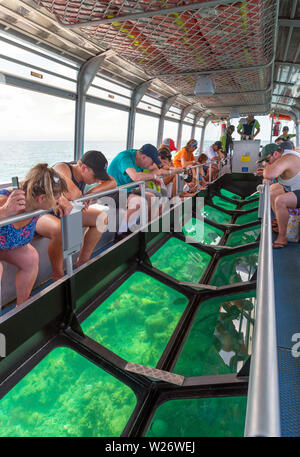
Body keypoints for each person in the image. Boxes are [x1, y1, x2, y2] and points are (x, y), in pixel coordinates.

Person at [36, 150, 117, 281]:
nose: (97, 180)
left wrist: (90, 193)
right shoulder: (61, 168)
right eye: (96, 177)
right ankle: (58, 275)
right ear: (84, 168)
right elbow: (72, 193)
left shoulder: (83, 174)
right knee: (59, 229)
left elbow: (113, 182)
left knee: (101, 218)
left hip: (65, 212)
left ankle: (83, 261)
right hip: (42, 213)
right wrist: (82, 197)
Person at [0, 164, 68, 305]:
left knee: (31, 258)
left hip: (8, 245)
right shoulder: (5, 199)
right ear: (42, 198)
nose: (58, 200)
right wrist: (5, 211)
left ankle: (22, 306)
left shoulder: (36, 203)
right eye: (56, 197)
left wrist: (63, 200)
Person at [107, 144, 169, 229]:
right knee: (138, 202)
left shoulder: (140, 157)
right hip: (112, 191)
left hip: (127, 189)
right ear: (144, 157)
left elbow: (156, 170)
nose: (152, 165)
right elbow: (136, 177)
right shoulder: (125, 158)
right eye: (152, 162)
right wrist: (153, 177)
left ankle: (149, 228)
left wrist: (152, 176)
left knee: (152, 197)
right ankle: (123, 232)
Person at [257, 141, 300, 248]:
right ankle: (280, 222)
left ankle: (282, 238)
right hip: (296, 188)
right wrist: (266, 169)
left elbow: (270, 174)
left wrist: (266, 168)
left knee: (280, 200)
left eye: (267, 160)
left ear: (276, 154)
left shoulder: (287, 158)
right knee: (273, 190)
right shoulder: (284, 157)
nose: (267, 163)